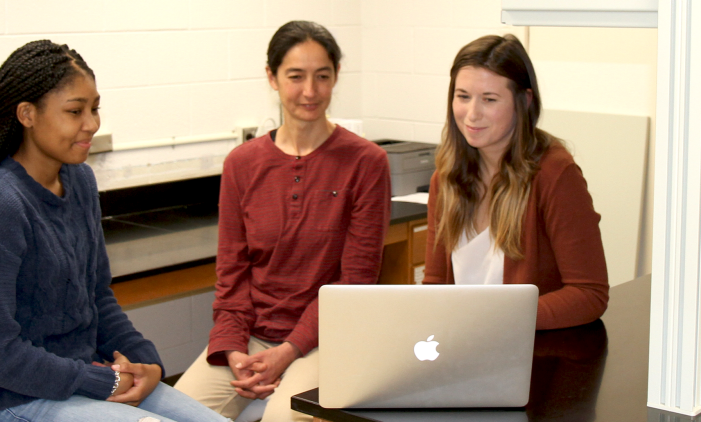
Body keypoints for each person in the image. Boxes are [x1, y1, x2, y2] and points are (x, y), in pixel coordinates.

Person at [0, 40, 230, 422]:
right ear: (26, 114)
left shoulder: (80, 182)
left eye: (94, 109)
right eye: (75, 111)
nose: (91, 123)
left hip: (84, 381)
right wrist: (99, 381)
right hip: (15, 401)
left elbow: (97, 298)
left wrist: (147, 363)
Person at [174, 21, 391, 422]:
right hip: (250, 337)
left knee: (284, 418)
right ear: (272, 78)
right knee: (171, 415)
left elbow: (355, 282)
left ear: (335, 77)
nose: (310, 91)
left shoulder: (366, 163)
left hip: (324, 339)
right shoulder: (242, 164)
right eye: (296, 77)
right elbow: (232, 274)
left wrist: (289, 350)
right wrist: (232, 348)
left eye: (322, 76)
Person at [423, 34, 609, 330]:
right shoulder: (445, 179)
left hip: (533, 355)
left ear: (524, 100)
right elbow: (435, 285)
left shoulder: (555, 175)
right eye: (463, 96)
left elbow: (590, 294)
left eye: (489, 99)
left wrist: (500, 320)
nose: (472, 114)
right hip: (464, 346)